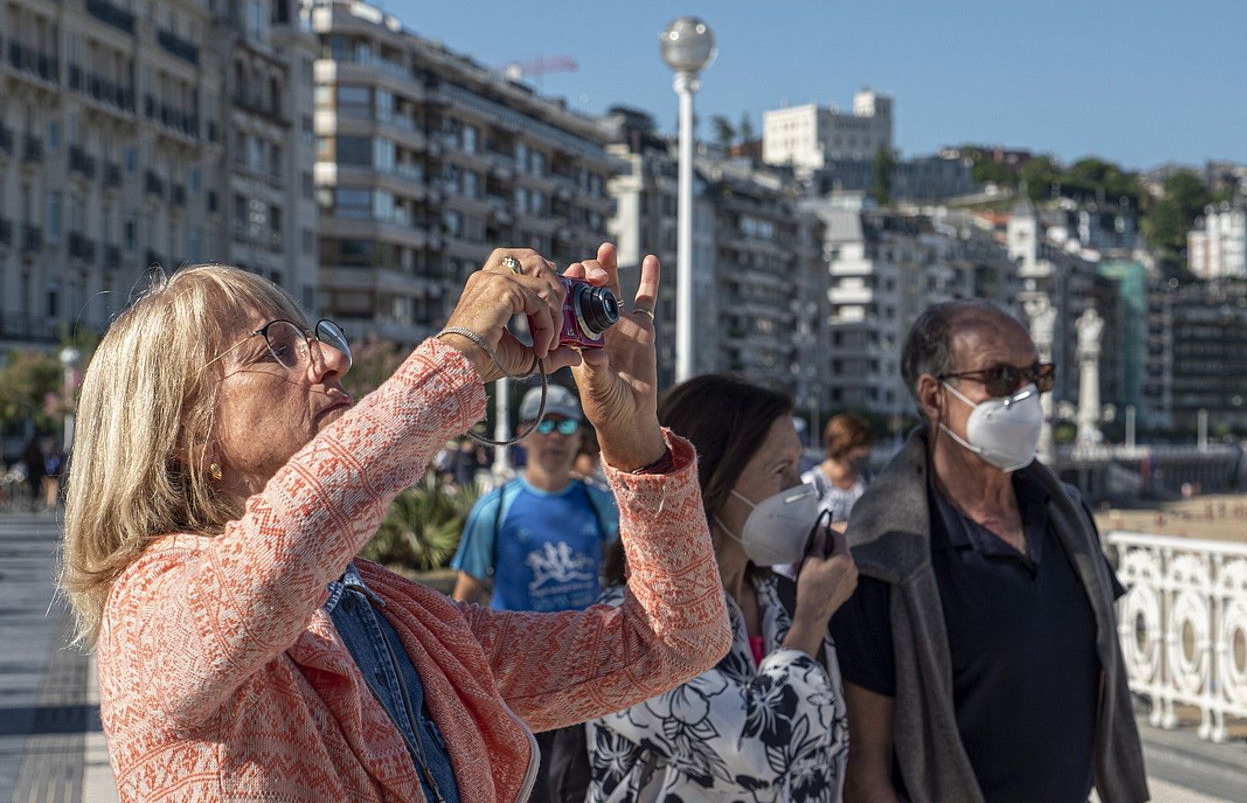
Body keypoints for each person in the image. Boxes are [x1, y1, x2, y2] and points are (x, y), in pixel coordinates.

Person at [60, 244, 733, 802]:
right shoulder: (148, 607)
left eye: (316, 338)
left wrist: (635, 444)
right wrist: (459, 355)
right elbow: (284, 548)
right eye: (276, 349)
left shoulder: (400, 620)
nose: (331, 359)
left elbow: (675, 641)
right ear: (185, 435)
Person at [829, 300, 1148, 803]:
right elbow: (867, 771)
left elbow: (1098, 683)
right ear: (934, 397)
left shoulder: (1069, 520)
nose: (1023, 396)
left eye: (1034, 376)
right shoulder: (883, 553)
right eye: (999, 377)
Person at [584, 374, 857, 803]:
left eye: (799, 466)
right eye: (780, 470)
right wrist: (810, 625)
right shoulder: (634, 627)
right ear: (711, 478)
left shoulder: (779, 602)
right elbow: (758, 755)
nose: (799, 489)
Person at [450, 386, 617, 612]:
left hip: (586, 646)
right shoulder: (493, 508)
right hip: (513, 646)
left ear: (578, 436)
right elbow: (465, 599)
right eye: (544, 424)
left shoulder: (601, 502)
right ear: (522, 435)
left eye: (566, 425)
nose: (556, 436)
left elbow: (621, 573)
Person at [801, 413, 873, 531]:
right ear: (844, 446)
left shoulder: (866, 479)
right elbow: (801, 528)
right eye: (862, 446)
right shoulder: (813, 481)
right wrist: (839, 529)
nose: (867, 452)